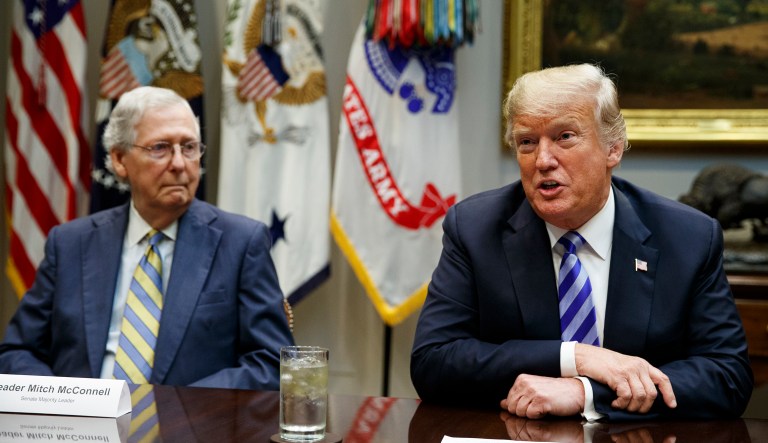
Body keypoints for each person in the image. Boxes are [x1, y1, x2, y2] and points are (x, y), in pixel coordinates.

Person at [410, 63, 753, 421]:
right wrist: (576, 358)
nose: (543, 160)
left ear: (613, 149)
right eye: (527, 142)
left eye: (565, 137)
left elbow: (727, 376)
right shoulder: (475, 228)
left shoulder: (688, 237)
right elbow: (433, 361)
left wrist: (587, 392)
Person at [0, 86, 294, 390]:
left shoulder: (241, 243)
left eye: (189, 147)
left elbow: (271, 363)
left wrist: (174, 409)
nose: (179, 163)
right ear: (119, 160)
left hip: (189, 430)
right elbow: (18, 352)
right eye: (161, 148)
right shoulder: (70, 244)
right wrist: (63, 402)